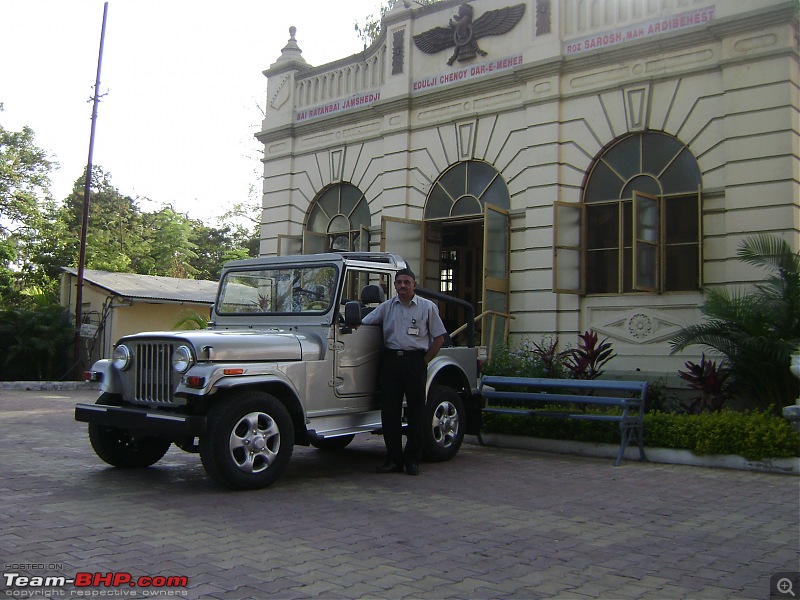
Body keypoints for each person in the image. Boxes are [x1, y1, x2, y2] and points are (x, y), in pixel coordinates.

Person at [361, 267, 447, 476]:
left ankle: (412, 461)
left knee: (417, 413)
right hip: (391, 362)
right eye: (399, 282)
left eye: (407, 282)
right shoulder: (386, 307)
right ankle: (393, 460)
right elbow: (364, 323)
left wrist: (424, 361)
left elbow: (439, 338)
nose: (402, 286)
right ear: (394, 285)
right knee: (389, 413)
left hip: (415, 362)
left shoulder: (427, 307)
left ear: (414, 285)